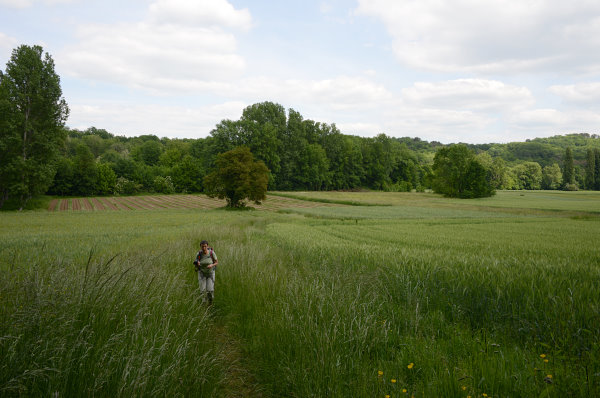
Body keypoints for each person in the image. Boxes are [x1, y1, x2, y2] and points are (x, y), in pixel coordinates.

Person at [194, 240, 219, 305]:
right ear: (200, 247)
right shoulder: (199, 254)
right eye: (202, 247)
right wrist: (197, 264)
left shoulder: (211, 253)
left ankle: (210, 303)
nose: (204, 248)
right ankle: (203, 304)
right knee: (202, 290)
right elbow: (196, 262)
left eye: (205, 246)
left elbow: (216, 262)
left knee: (210, 290)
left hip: (210, 273)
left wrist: (212, 265)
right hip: (201, 273)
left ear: (207, 246)